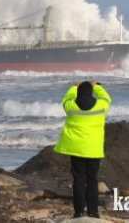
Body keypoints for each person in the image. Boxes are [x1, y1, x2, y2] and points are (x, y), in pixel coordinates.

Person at [54, 81, 112, 218]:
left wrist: (74, 87)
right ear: (91, 91)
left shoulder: (71, 106)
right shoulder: (101, 106)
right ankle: (93, 212)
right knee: (92, 180)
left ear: (79, 92)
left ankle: (79, 212)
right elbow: (107, 98)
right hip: (93, 149)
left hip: (76, 149)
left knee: (78, 180)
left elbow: (66, 99)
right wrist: (96, 86)